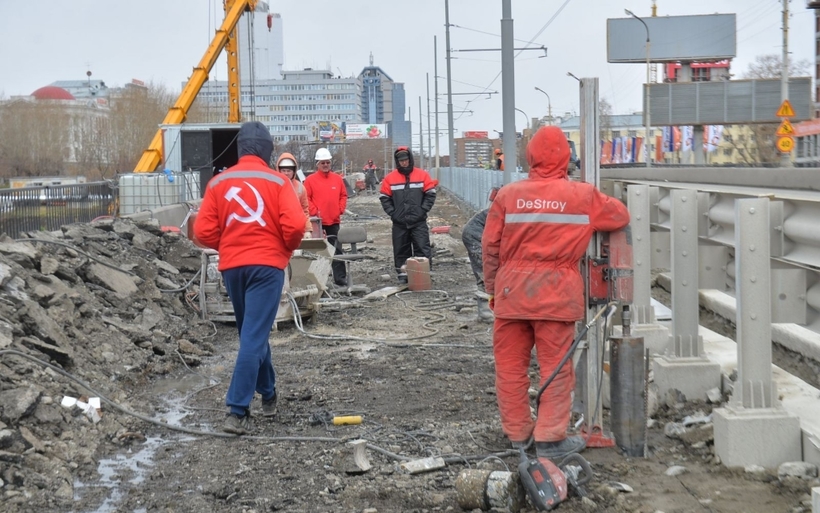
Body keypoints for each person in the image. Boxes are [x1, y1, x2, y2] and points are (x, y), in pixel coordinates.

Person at [482, 126, 630, 459]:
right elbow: (620, 215)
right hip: (556, 294)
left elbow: (489, 247)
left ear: (530, 156)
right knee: (556, 368)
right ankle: (550, 439)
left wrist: (493, 290)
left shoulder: (508, 195)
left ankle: (518, 436)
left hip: (511, 293)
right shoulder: (583, 196)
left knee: (510, 369)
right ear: (566, 156)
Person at [194, 121, 307, 435]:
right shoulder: (278, 182)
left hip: (233, 268)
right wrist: (282, 248)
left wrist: (231, 245)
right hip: (266, 268)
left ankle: (268, 394)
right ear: (267, 150)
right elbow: (297, 228)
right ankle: (237, 409)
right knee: (253, 337)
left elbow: (202, 231)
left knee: (252, 333)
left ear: (240, 148)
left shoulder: (219, 183)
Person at [379, 146, 437, 284]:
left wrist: (422, 211)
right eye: (400, 161)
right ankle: (403, 275)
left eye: (405, 160)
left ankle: (423, 275)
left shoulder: (422, 175)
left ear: (410, 159)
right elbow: (384, 198)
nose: (403, 163)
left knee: (422, 247)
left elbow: (430, 194)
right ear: (397, 162)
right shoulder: (390, 178)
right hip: (400, 222)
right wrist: (393, 214)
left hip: (419, 221)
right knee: (401, 249)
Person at [304, 147, 348, 287]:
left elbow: (343, 195)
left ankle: (340, 279)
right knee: (318, 251)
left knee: (337, 251)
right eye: (322, 162)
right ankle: (316, 281)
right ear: (317, 163)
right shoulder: (310, 180)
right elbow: (306, 199)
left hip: (334, 221)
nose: (325, 165)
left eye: (327, 162)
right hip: (318, 223)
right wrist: (315, 212)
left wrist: (340, 209)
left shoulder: (337, 179)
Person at [461, 187, 499, 323]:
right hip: (475, 235)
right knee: (485, 271)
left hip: (479, 232)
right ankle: (486, 313)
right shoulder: (504, 212)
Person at [277, 153, 313, 237]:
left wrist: (308, 229)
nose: (286, 173)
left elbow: (304, 210)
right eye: (284, 170)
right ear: (279, 170)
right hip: (278, 230)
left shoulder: (300, 188)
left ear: (294, 171)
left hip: (295, 229)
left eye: (289, 171)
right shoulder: (272, 186)